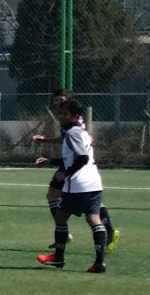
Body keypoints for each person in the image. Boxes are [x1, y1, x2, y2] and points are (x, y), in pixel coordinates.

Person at [31, 89, 118, 249]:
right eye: (56, 100)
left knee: (62, 197)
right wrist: (46, 141)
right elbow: (66, 139)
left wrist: (62, 167)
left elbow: (75, 143)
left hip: (74, 165)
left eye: (61, 100)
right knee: (86, 201)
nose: (58, 103)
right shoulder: (67, 117)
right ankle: (106, 232)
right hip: (74, 163)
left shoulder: (72, 119)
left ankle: (64, 235)